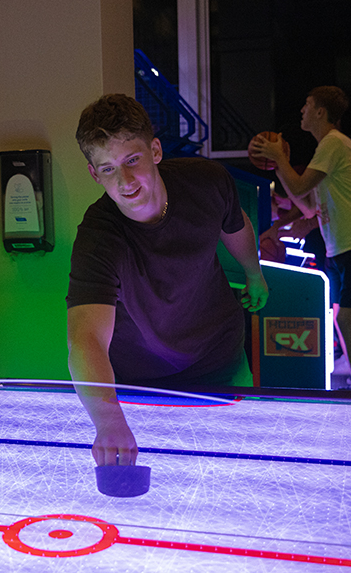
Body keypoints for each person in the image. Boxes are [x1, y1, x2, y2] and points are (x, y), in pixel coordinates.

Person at [67, 94, 269, 467]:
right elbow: (85, 339)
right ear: (95, 174)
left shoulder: (207, 181)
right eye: (108, 169)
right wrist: (109, 420)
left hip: (219, 357)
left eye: (132, 160)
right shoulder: (98, 237)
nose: (125, 180)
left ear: (155, 150)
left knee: (239, 464)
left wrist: (254, 274)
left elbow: (235, 225)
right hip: (140, 379)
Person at [251, 86, 351, 393]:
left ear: (320, 112)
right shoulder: (327, 148)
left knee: (349, 321)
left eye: (307, 104)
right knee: (344, 319)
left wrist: (278, 158)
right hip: (344, 246)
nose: (302, 110)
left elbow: (299, 187)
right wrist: (279, 164)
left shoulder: (333, 143)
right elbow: (308, 205)